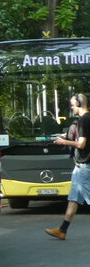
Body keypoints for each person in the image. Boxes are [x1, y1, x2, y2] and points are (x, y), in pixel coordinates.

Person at [46, 94, 90, 240]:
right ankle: (62, 230)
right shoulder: (85, 119)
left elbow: (81, 144)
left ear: (79, 104)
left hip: (85, 167)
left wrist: (63, 142)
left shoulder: (84, 119)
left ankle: (62, 230)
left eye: (72, 105)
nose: (71, 108)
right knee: (73, 199)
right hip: (80, 167)